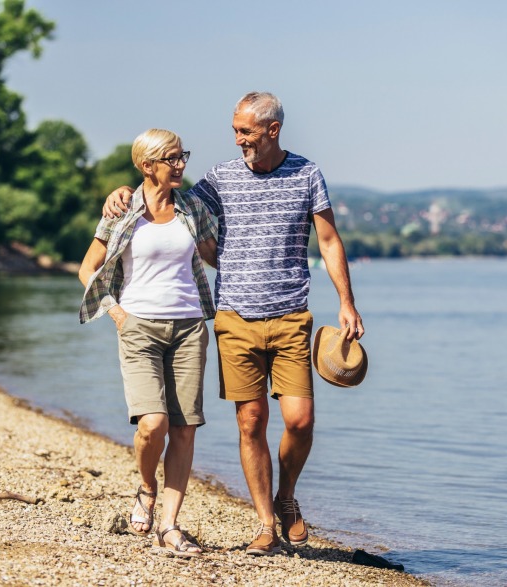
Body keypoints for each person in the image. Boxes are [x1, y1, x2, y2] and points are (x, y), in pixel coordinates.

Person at [103, 92, 364, 556]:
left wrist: (347, 302)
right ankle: (265, 525)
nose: (238, 139)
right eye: (235, 131)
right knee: (251, 421)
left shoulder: (306, 174)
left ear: (272, 130)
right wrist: (122, 191)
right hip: (234, 317)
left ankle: (286, 497)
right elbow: (165, 196)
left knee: (300, 421)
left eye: (246, 131)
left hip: (291, 315)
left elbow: (327, 240)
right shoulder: (220, 178)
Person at [79, 128, 218, 558]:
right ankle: (146, 487)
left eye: (182, 156)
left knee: (184, 428)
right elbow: (88, 268)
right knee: (152, 424)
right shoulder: (122, 208)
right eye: (171, 159)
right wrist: (116, 313)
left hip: (190, 327)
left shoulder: (192, 206)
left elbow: (214, 256)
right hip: (138, 326)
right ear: (147, 165)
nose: (181, 165)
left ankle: (169, 526)